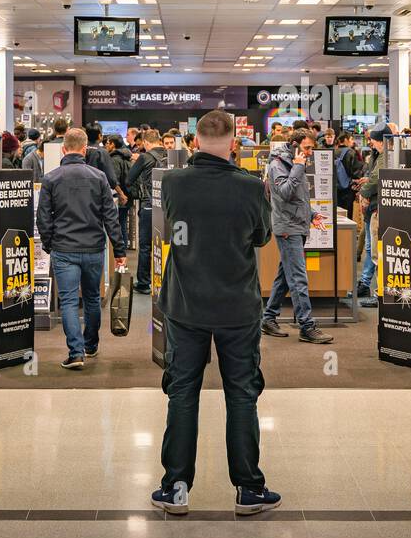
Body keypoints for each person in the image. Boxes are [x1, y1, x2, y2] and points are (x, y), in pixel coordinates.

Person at [153, 110, 280, 516]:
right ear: (233, 143)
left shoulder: (172, 183)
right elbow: (261, 237)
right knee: (241, 394)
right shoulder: (250, 187)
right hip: (237, 307)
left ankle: (175, 487)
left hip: (185, 304)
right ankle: (248, 489)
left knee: (182, 393)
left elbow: (173, 226)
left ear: (194, 143)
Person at [36, 128, 126, 369]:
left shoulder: (51, 178)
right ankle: (91, 345)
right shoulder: (98, 177)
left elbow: (43, 218)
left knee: (67, 301)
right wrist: (119, 250)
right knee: (92, 299)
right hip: (94, 247)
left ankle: (76, 353)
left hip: (63, 248)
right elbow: (110, 216)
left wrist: (49, 244)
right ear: (85, 150)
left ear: (64, 149)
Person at [262, 128, 333, 344]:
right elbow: (284, 193)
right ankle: (306, 326)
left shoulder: (294, 164)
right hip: (288, 229)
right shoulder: (277, 165)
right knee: (298, 278)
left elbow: (297, 197)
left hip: (297, 225)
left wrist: (311, 215)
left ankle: (268, 318)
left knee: (286, 275)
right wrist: (299, 167)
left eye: (312, 147)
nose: (311, 152)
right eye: (307, 148)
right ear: (295, 146)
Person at [126, 128, 168, 294]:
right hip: (168, 206)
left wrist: (137, 193)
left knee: (146, 246)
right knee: (167, 245)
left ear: (146, 142)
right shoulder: (170, 155)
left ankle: (144, 282)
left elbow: (129, 179)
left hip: (149, 206)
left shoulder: (145, 157)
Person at [355, 124, 389, 305]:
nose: (371, 144)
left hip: (378, 208)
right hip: (378, 208)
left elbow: (377, 179)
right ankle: (375, 289)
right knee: (374, 250)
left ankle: (380, 294)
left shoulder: (385, 156)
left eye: (373, 140)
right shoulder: (383, 155)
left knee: (377, 253)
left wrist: (364, 193)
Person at [333, 131, 363, 216]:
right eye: (351, 139)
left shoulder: (333, 152)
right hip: (347, 189)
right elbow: (356, 172)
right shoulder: (351, 152)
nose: (352, 141)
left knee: (337, 214)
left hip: (335, 189)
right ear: (346, 140)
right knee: (347, 214)